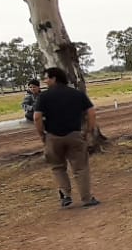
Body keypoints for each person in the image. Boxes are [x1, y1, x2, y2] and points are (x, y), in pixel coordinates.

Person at [32, 67, 101, 208]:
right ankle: (87, 198)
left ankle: (65, 196)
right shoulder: (77, 94)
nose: (44, 81)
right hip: (75, 135)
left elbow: (37, 117)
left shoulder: (43, 97)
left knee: (58, 167)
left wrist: (42, 135)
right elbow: (92, 113)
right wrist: (87, 131)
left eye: (46, 78)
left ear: (54, 78)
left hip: (53, 137)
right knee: (81, 168)